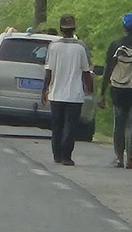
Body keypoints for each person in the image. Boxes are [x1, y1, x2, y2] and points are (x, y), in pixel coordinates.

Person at [99, 13, 132, 170]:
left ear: (124, 27)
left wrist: (102, 93)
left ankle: (119, 158)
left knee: (119, 124)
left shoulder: (115, 45)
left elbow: (108, 70)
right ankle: (131, 158)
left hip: (118, 89)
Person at [41, 14, 92, 166]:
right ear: (74, 29)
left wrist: (44, 90)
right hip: (75, 95)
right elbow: (86, 72)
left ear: (61, 30)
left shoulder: (53, 47)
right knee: (70, 126)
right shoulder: (81, 47)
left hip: (56, 93)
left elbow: (48, 71)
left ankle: (57, 154)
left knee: (57, 126)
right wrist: (89, 89)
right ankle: (66, 156)